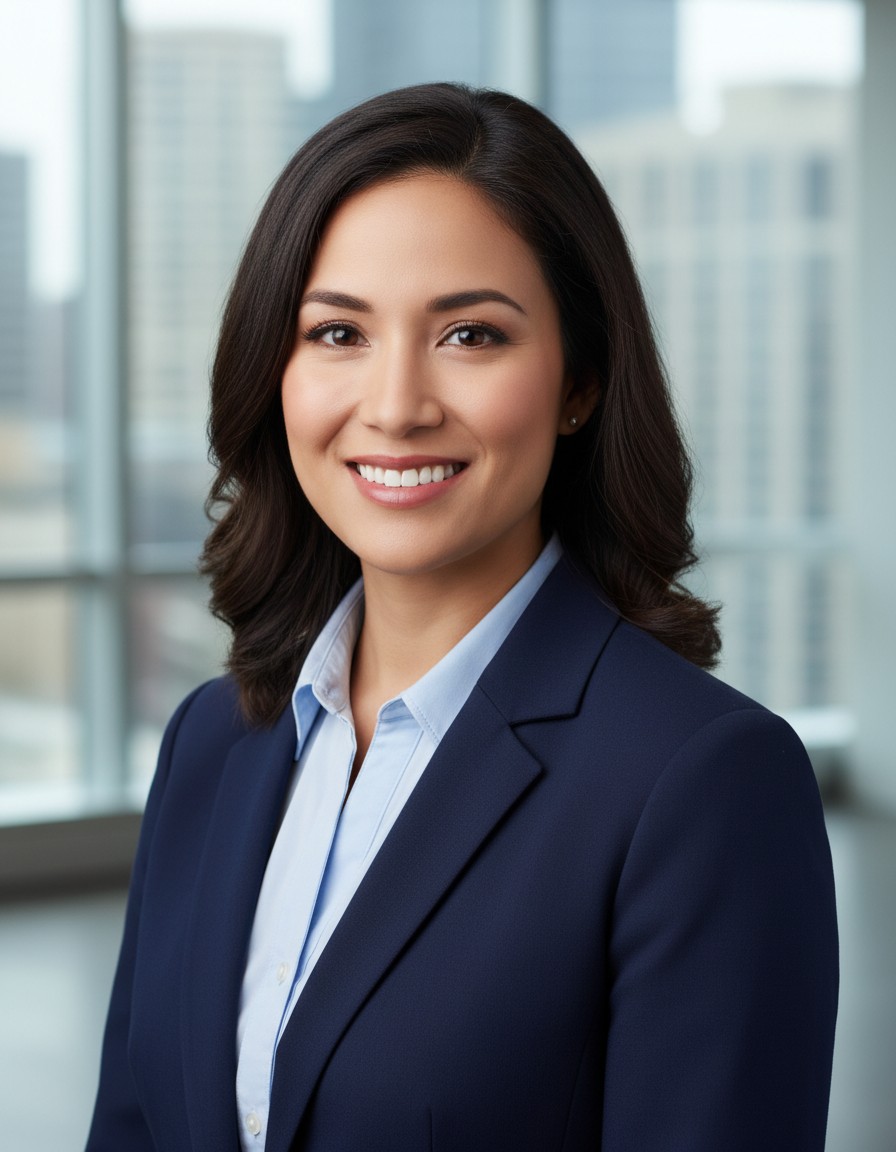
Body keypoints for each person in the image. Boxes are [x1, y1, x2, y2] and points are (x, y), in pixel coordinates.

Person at [86, 83, 838, 1152]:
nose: (394, 405)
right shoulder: (215, 741)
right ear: (276, 370)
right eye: (337, 331)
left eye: (470, 335)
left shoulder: (703, 783)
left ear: (577, 381)